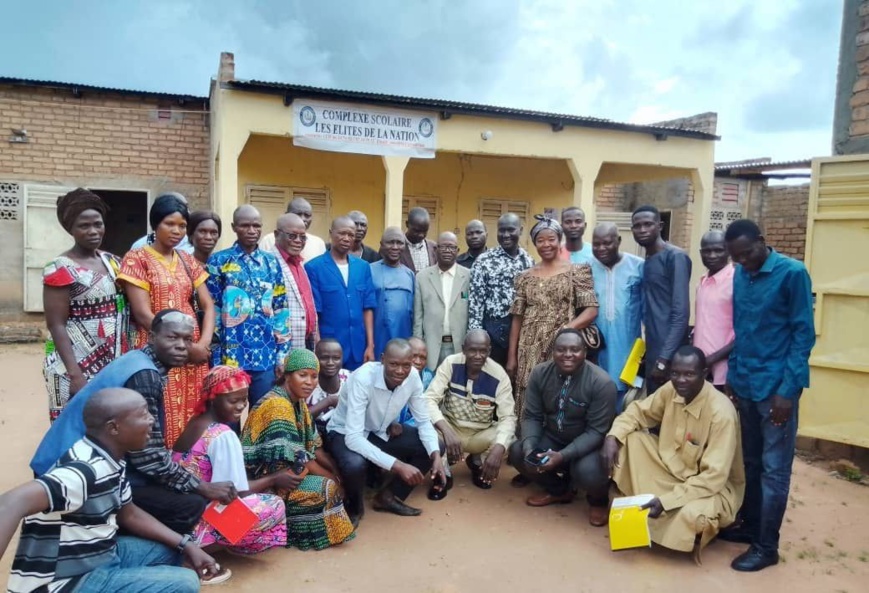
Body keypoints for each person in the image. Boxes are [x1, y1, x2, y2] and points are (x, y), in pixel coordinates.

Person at [31, 310, 237, 538]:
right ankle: (139, 550)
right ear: (152, 337)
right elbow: (148, 457)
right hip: (69, 474)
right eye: (172, 337)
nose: (181, 346)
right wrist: (203, 487)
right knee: (189, 504)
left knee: (170, 487)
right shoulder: (144, 376)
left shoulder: (137, 360)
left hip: (71, 464)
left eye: (188, 339)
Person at [2, 388, 221, 592]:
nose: (152, 420)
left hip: (98, 556)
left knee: (175, 551)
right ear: (114, 428)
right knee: (185, 582)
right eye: (143, 414)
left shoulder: (109, 457)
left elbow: (130, 514)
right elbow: (11, 502)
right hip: (66, 581)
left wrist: (186, 545)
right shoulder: (85, 471)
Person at [718, 219, 815, 572]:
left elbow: (803, 336)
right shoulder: (741, 275)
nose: (743, 262)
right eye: (737, 258)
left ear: (762, 240)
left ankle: (766, 547)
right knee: (751, 463)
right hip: (746, 383)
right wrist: (733, 374)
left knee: (774, 470)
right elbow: (741, 330)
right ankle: (750, 526)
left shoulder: (792, 273)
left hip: (776, 390)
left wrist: (787, 392)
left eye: (747, 254)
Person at [601, 346, 745, 565]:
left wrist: (667, 501)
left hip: (707, 488)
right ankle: (647, 512)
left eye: (689, 374)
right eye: (675, 373)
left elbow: (713, 478)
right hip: (669, 470)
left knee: (692, 517)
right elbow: (639, 412)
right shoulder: (672, 389)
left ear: (704, 373)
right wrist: (612, 437)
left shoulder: (721, 413)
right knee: (629, 440)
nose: (681, 380)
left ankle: (657, 516)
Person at [119, 194, 215, 447]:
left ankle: (189, 464)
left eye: (182, 226)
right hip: (158, 351)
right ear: (155, 225)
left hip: (193, 354)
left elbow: (208, 305)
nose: (177, 231)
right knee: (160, 412)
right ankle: (162, 464)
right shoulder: (137, 259)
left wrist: (202, 345)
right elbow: (143, 314)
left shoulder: (187, 260)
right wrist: (180, 346)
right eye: (169, 224)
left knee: (192, 412)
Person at [242, 349, 356, 549]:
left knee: (333, 479)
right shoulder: (277, 405)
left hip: (290, 471)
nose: (309, 382)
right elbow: (303, 460)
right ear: (286, 376)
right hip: (264, 481)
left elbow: (316, 448)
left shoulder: (298, 403)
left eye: (314, 376)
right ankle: (287, 529)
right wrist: (334, 481)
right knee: (326, 488)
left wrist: (338, 475)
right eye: (302, 375)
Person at [172, 366, 288, 555]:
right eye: (233, 401)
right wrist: (274, 479)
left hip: (181, 514)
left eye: (244, 399)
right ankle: (209, 547)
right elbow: (236, 494)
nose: (241, 406)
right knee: (274, 505)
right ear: (212, 399)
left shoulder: (194, 423)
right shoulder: (223, 435)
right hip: (200, 520)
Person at [326, 339, 447, 521]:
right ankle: (355, 508)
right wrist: (398, 465)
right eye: (394, 364)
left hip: (377, 430)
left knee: (435, 445)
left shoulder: (413, 377)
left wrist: (436, 456)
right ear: (382, 359)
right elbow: (354, 438)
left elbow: (423, 420)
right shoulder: (363, 378)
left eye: (406, 365)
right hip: (344, 432)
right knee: (355, 464)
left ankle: (389, 496)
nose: (400, 371)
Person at [508, 329, 616, 526]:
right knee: (518, 452)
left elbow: (596, 432)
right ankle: (560, 490)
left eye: (575, 349)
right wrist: (530, 447)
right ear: (553, 352)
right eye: (561, 349)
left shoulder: (601, 383)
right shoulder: (540, 373)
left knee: (589, 471)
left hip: (587, 444)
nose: (568, 354)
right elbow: (532, 416)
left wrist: (562, 456)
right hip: (553, 437)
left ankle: (598, 500)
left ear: (585, 352)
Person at [43, 188, 130, 422]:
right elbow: (56, 324)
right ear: (70, 229)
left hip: (112, 360)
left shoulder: (113, 262)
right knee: (72, 426)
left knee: (110, 426)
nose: (93, 231)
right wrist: (75, 374)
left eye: (98, 224)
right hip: (73, 363)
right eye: (84, 226)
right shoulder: (59, 267)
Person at [507, 216, 599, 419]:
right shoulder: (525, 277)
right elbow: (517, 318)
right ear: (534, 243)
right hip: (528, 347)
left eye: (551, 239)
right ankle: (527, 435)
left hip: (562, 346)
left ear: (559, 240)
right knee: (528, 391)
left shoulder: (576, 272)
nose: (546, 244)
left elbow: (591, 310)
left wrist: (565, 330)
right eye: (540, 240)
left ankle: (556, 435)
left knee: (558, 390)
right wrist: (512, 356)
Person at [206, 205, 291, 406]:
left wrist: (282, 355)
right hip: (230, 356)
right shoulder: (219, 261)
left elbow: (280, 309)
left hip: (265, 356)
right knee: (228, 415)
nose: (252, 231)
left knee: (264, 413)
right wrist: (216, 356)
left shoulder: (271, 263)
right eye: (245, 226)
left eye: (256, 226)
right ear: (234, 227)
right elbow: (212, 310)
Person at [426, 330, 516, 492]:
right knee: (427, 430)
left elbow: (508, 417)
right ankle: (443, 471)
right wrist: (446, 430)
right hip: (451, 429)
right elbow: (429, 400)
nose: (478, 356)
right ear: (463, 349)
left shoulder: (499, 375)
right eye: (472, 350)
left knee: (506, 439)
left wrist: (499, 449)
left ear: (489, 351)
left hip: (479, 434)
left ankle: (477, 461)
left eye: (483, 351)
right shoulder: (450, 364)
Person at [631, 205, 692, 394]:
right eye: (637, 226)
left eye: (648, 224)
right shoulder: (648, 260)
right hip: (653, 350)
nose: (642, 230)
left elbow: (681, 314)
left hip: (669, 356)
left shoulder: (675, 257)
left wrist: (664, 359)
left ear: (660, 226)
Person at [306, 216, 377, 370]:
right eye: (342, 233)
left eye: (351, 235)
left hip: (358, 348)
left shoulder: (363, 267)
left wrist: (370, 345)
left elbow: (368, 308)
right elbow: (314, 313)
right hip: (329, 350)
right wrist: (318, 346)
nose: (346, 238)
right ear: (331, 233)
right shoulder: (314, 268)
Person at [590, 222, 644, 410]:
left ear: (618, 241)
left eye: (607, 243)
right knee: (598, 393)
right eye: (596, 244)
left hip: (629, 346)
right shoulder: (586, 268)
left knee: (628, 399)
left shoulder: (638, 266)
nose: (601, 248)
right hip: (597, 347)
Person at [468, 213, 534, 366]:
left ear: (520, 230)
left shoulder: (528, 261)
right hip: (492, 332)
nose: (506, 235)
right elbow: (475, 303)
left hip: (521, 331)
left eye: (511, 230)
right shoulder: (484, 260)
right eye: (501, 230)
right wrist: (476, 337)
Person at [413, 231, 471, 370]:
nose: (447, 251)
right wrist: (418, 344)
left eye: (451, 247)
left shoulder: (469, 276)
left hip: (459, 346)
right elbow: (418, 316)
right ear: (435, 249)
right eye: (443, 246)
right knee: (431, 383)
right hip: (431, 346)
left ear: (457, 251)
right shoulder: (422, 277)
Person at [266, 213, 319, 351]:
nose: (298, 241)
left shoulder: (299, 263)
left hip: (306, 343)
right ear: (277, 234)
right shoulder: (268, 264)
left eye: (303, 237)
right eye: (292, 236)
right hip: (282, 347)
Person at [693, 230, 735, 392]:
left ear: (728, 251)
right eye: (707, 251)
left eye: (718, 250)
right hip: (701, 372)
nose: (712, 255)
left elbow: (744, 334)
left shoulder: (736, 281)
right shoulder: (702, 282)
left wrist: (711, 359)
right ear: (700, 253)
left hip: (725, 373)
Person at [370, 227, 415, 358]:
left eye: (399, 243)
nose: (395, 247)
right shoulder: (369, 270)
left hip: (403, 335)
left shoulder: (409, 274)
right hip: (377, 337)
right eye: (390, 242)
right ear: (381, 245)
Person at [259, 196, 327, 261]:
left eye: (307, 215)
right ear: (286, 215)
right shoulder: (268, 240)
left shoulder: (318, 243)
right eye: (298, 214)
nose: (303, 219)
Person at [307, 338, 349, 436]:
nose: (330, 362)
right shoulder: (307, 381)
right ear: (315, 359)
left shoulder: (351, 379)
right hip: (311, 435)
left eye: (336, 358)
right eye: (324, 358)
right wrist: (329, 401)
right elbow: (299, 420)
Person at [130, 191, 195, 254]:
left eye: (186, 207)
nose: (187, 212)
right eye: (170, 224)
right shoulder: (140, 247)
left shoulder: (193, 246)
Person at [394, 337, 434, 427]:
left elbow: (427, 411)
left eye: (423, 358)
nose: (418, 362)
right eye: (414, 356)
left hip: (415, 427)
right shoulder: (392, 374)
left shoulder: (428, 378)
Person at [399, 207, 437, 273]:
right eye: (417, 231)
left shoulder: (433, 248)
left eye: (425, 231)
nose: (421, 235)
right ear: (407, 224)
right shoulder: (396, 247)